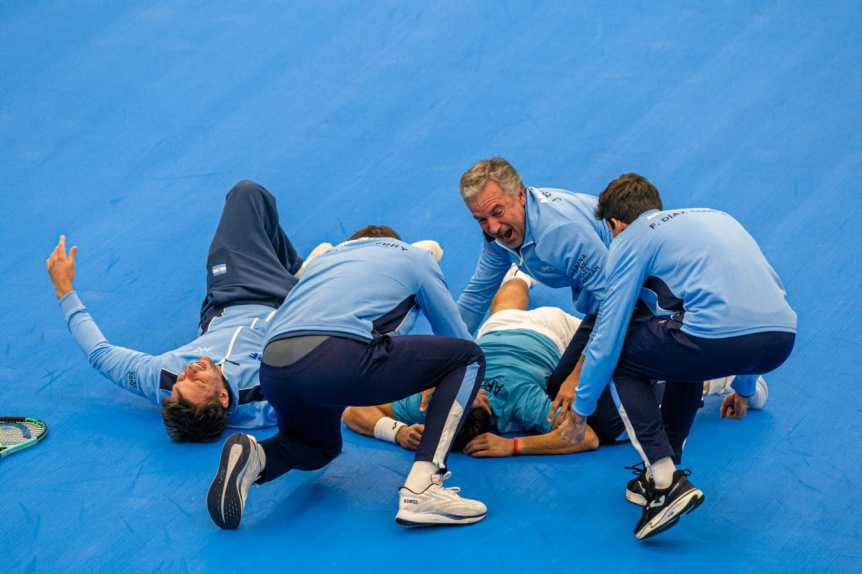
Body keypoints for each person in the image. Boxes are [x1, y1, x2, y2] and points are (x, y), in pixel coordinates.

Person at [558, 173, 796, 540]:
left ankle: (664, 476)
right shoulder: (718, 217)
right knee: (677, 344)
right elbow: (756, 304)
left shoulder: (631, 238)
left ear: (614, 224)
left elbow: (608, 334)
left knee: (621, 354)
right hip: (780, 340)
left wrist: (581, 412)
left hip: (715, 338)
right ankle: (665, 471)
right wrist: (745, 388)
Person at [206, 225, 488, 530]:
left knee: (316, 447)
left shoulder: (323, 262)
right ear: (392, 242)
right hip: (336, 360)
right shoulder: (415, 257)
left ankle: (257, 457)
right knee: (469, 359)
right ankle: (423, 487)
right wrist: (465, 388)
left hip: (274, 368)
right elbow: (457, 338)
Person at [45, 180, 325, 442]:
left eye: (180, 382)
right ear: (224, 400)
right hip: (300, 311)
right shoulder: (269, 402)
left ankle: (295, 269)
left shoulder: (162, 377)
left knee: (247, 194)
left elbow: (100, 355)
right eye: (196, 380)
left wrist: (63, 289)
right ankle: (305, 280)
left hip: (235, 292)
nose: (187, 369)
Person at [343, 267, 619, 456]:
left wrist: (397, 432)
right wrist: (512, 447)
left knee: (502, 310)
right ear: (484, 404)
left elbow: (352, 411)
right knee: (610, 337)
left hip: (497, 331)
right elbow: (586, 435)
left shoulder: (429, 404)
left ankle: (519, 275)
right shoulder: (521, 402)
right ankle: (519, 277)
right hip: (556, 332)